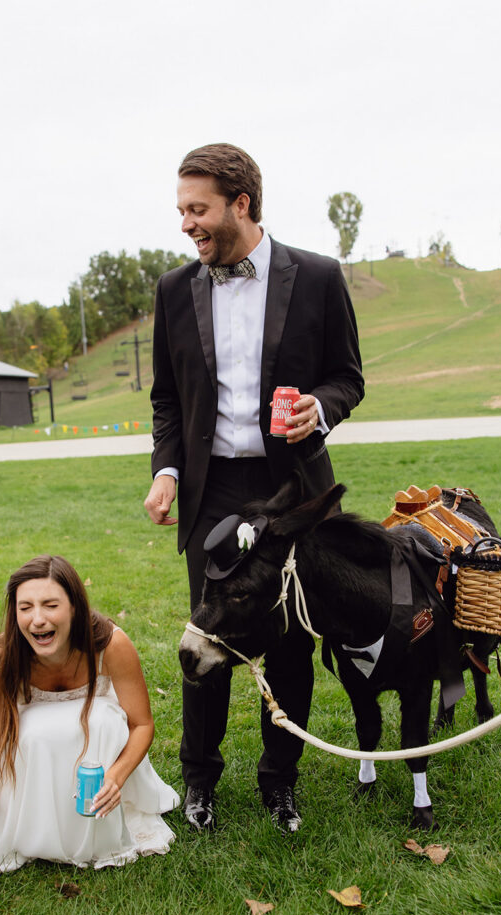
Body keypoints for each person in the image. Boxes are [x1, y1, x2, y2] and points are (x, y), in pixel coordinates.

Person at [144, 143, 364, 833]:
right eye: (181, 210)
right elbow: (166, 401)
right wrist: (166, 469)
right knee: (205, 635)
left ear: (241, 203)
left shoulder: (319, 277)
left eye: (198, 209)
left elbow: (347, 376)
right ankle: (199, 780)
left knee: (292, 638)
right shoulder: (173, 291)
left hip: (291, 486)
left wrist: (318, 409)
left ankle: (280, 782)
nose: (186, 223)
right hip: (210, 487)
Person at [0, 555, 179, 895]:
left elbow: (142, 724)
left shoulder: (110, 645)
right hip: (31, 778)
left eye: (50, 605)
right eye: (25, 607)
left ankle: (97, 831)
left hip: (102, 765)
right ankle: (37, 829)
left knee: (103, 718)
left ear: (74, 607)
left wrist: (116, 776)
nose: (38, 619)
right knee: (32, 729)